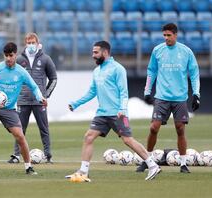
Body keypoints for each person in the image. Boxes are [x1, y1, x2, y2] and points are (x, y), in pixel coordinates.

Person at [65, 41, 161, 182]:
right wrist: (76, 103)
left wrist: (122, 108)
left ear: (105, 52)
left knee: (127, 140)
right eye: (92, 52)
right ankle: (83, 171)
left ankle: (153, 166)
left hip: (117, 113)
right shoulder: (97, 71)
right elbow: (92, 92)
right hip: (102, 113)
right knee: (88, 137)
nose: (93, 55)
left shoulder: (118, 69)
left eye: (96, 52)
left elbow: (124, 92)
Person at [0, 42, 47, 175]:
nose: (8, 59)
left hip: (9, 110)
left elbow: (34, 86)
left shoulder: (21, 72)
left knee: (20, 136)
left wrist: (40, 98)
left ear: (15, 55)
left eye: (11, 55)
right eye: (6, 56)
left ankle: (28, 167)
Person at [136, 23, 200, 174]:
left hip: (180, 98)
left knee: (180, 129)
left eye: (169, 35)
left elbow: (194, 74)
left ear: (176, 35)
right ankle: (148, 161)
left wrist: (196, 94)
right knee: (153, 128)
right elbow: (151, 71)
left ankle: (183, 164)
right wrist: (147, 91)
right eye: (164, 35)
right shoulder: (157, 50)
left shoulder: (186, 52)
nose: (166, 38)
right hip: (161, 97)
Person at [8, 33, 57, 164]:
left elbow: (53, 79)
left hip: (39, 101)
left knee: (44, 128)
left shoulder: (46, 59)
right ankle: (16, 155)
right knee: (19, 129)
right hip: (22, 100)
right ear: (25, 44)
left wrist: (45, 95)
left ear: (37, 43)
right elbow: (12, 78)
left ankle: (48, 155)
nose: (30, 45)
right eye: (28, 43)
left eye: (33, 42)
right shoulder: (18, 60)